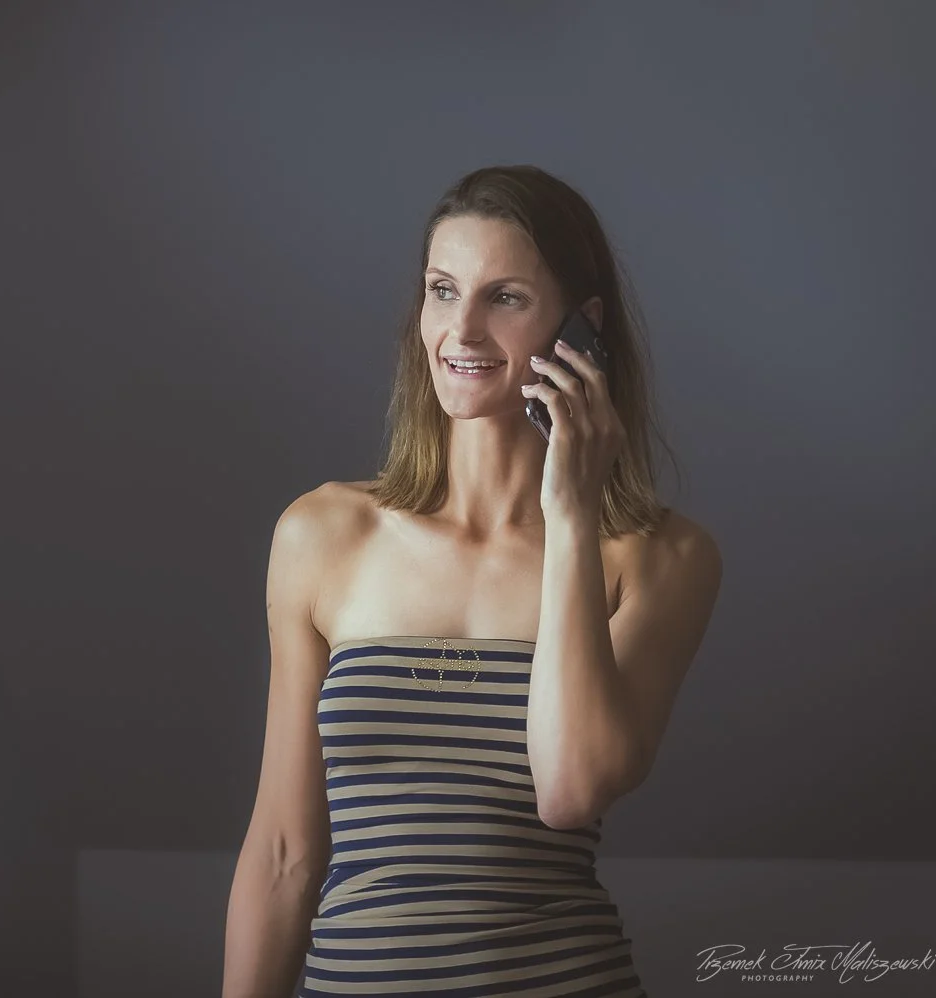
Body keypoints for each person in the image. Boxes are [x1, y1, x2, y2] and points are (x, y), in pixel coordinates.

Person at [222, 164, 722, 997]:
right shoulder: (323, 534)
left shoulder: (662, 557)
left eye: (506, 298)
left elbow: (571, 791)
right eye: (443, 290)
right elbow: (282, 855)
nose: (462, 330)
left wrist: (571, 515)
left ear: (582, 329)